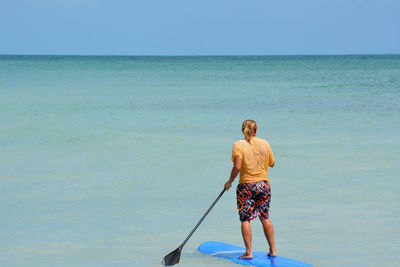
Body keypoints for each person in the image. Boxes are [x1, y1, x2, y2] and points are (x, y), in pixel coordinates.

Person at [224, 119, 276, 259]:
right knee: (264, 217)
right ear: (256, 130)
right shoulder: (265, 143)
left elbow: (237, 166)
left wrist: (229, 181)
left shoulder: (238, 145)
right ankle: (273, 250)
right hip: (263, 186)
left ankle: (249, 252)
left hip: (246, 186)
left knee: (245, 219)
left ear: (243, 130)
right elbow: (272, 163)